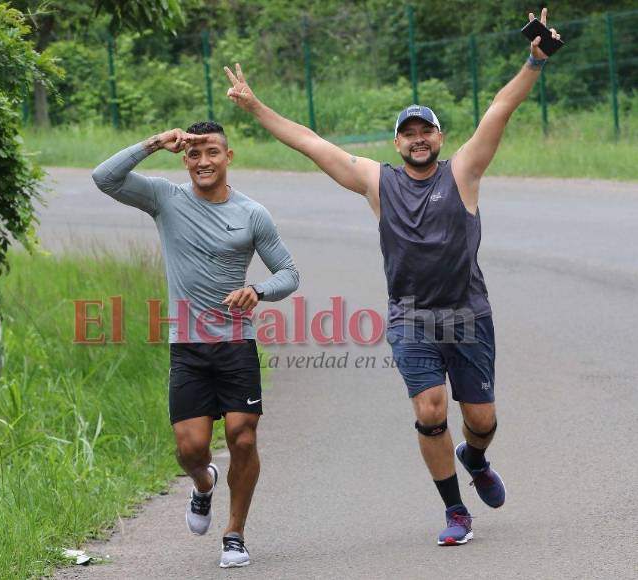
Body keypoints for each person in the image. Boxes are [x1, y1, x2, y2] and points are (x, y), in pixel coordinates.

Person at [224, 9, 562, 546]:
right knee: (430, 412)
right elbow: (312, 143)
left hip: (468, 315)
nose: (418, 139)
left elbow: (500, 108)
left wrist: (533, 62)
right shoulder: (375, 182)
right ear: (397, 142)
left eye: (426, 130)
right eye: (409, 133)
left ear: (439, 136)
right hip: (411, 319)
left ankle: (474, 458)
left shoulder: (464, 170)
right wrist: (255, 106)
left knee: (482, 419)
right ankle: (456, 512)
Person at [91, 121, 299, 567]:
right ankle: (204, 484)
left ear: (229, 157)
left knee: (243, 437)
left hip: (235, 343)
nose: (203, 162)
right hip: (186, 344)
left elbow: (289, 273)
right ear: (184, 159)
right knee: (190, 449)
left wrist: (258, 291)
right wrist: (152, 144)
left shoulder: (252, 214)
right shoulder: (165, 198)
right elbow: (104, 178)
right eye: (194, 154)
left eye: (212, 153)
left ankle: (235, 535)